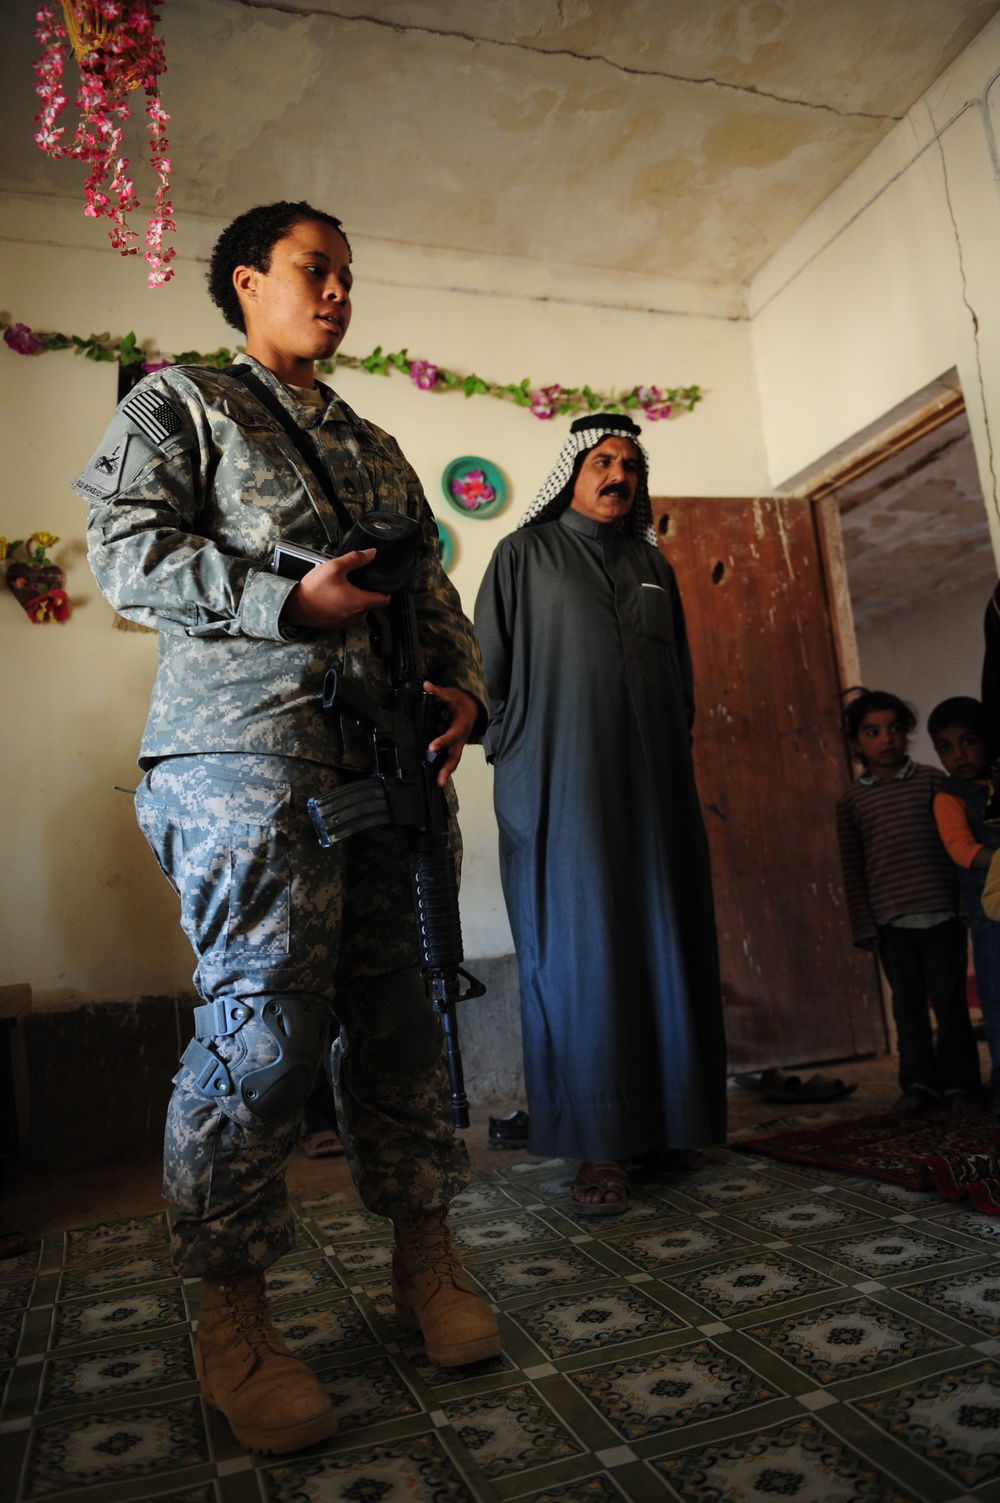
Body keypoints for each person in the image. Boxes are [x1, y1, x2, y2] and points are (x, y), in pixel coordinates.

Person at [74, 200, 499, 1455]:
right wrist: (284, 602)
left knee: (409, 1012)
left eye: (349, 277)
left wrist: (463, 686)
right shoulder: (179, 405)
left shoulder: (374, 444)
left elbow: (428, 586)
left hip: (390, 764)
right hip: (245, 759)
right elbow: (122, 551)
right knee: (261, 1033)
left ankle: (425, 1262)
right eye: (316, 271)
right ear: (248, 282)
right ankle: (234, 1321)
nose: (338, 293)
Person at [473, 413, 727, 1217]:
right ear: (572, 471)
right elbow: (487, 680)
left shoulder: (656, 566)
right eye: (602, 460)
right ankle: (599, 1145)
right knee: (581, 957)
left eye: (629, 463)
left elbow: (679, 684)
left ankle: (669, 1121)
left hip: (654, 793)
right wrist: (525, 756)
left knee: (664, 942)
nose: (617, 474)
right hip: (562, 790)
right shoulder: (523, 555)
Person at [835, 689, 981, 1112]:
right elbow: (853, 867)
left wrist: (963, 906)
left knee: (952, 1005)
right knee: (908, 1009)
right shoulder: (851, 801)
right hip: (890, 924)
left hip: (942, 916)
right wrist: (864, 925)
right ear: (855, 742)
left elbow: (957, 848)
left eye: (896, 729)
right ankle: (919, 1085)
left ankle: (961, 1086)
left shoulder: (935, 782)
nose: (887, 739)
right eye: (873, 731)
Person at [930, 696, 1000, 1111]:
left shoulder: (997, 783)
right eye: (945, 747)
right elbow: (962, 849)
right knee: (995, 997)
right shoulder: (949, 797)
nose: (958, 755)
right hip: (990, 920)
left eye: (968, 741)